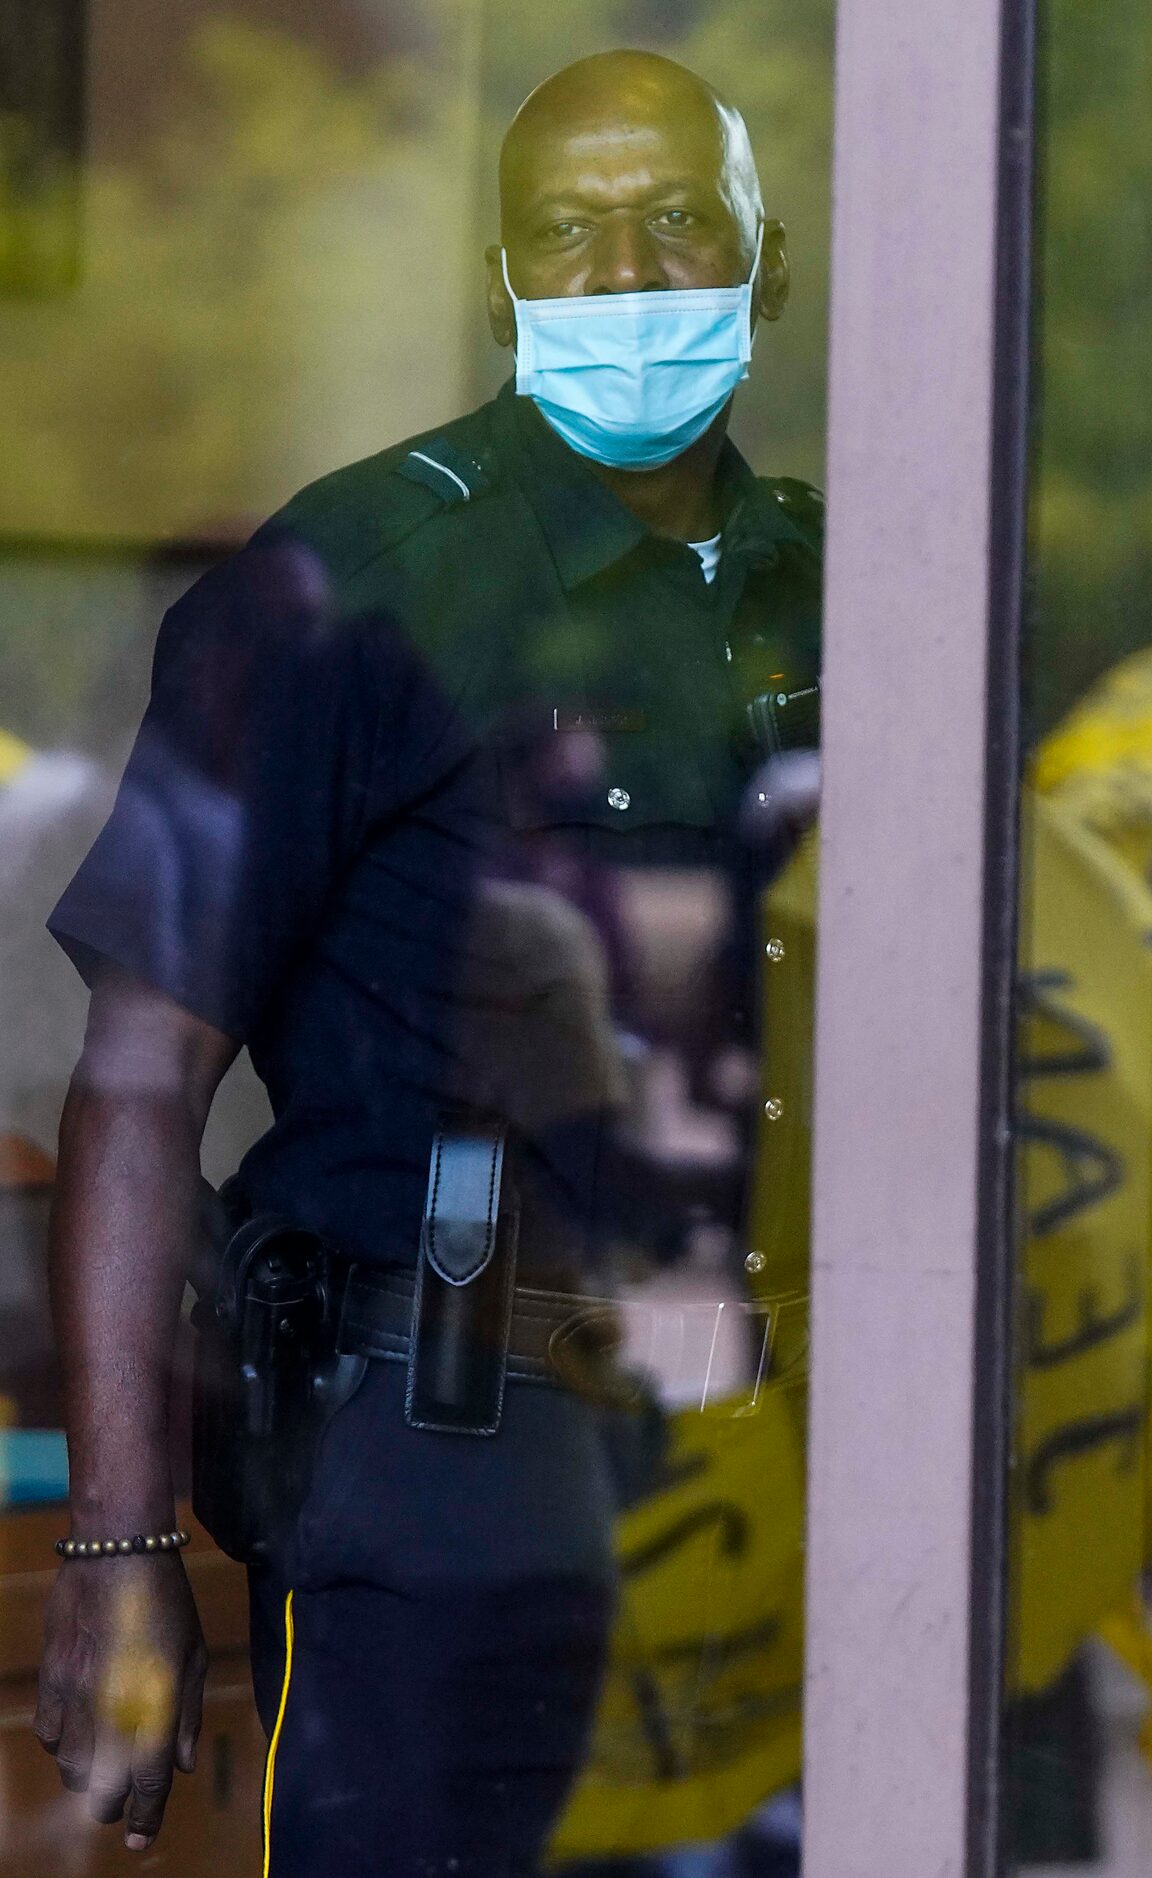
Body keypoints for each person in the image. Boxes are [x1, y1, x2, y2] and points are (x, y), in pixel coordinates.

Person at [35, 53, 816, 1873]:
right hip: (449, 1468)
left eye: (678, 220)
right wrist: (117, 1550)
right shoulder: (346, 590)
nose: (628, 277)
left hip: (768, 1481)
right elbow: (141, 1073)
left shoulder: (848, 594)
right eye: (568, 232)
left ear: (768, 261)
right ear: (503, 283)